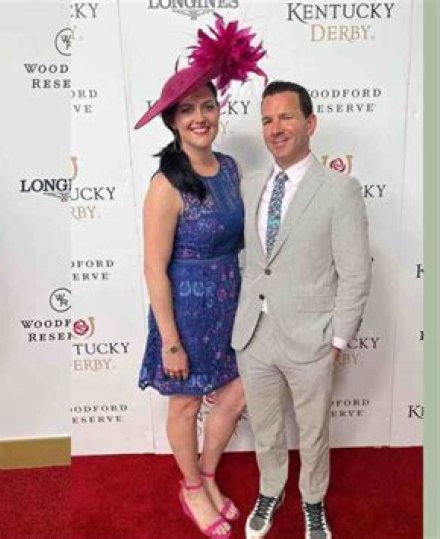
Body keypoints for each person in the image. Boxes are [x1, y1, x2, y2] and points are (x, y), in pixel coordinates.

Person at [134, 15, 267, 539]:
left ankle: (208, 474)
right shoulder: (165, 184)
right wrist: (170, 340)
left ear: (218, 110)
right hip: (185, 311)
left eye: (207, 106)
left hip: (231, 302)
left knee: (236, 393)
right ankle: (191, 487)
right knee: (186, 401)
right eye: (187, 110)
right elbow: (153, 266)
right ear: (172, 121)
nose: (199, 117)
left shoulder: (230, 168)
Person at [232, 80, 372, 539]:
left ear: (310, 123)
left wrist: (338, 339)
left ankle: (313, 500)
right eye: (267, 120)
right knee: (266, 427)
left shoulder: (339, 190)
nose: (275, 128)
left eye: (286, 117)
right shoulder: (251, 185)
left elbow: (355, 273)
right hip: (254, 334)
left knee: (313, 432)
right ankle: (271, 489)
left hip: (312, 337)